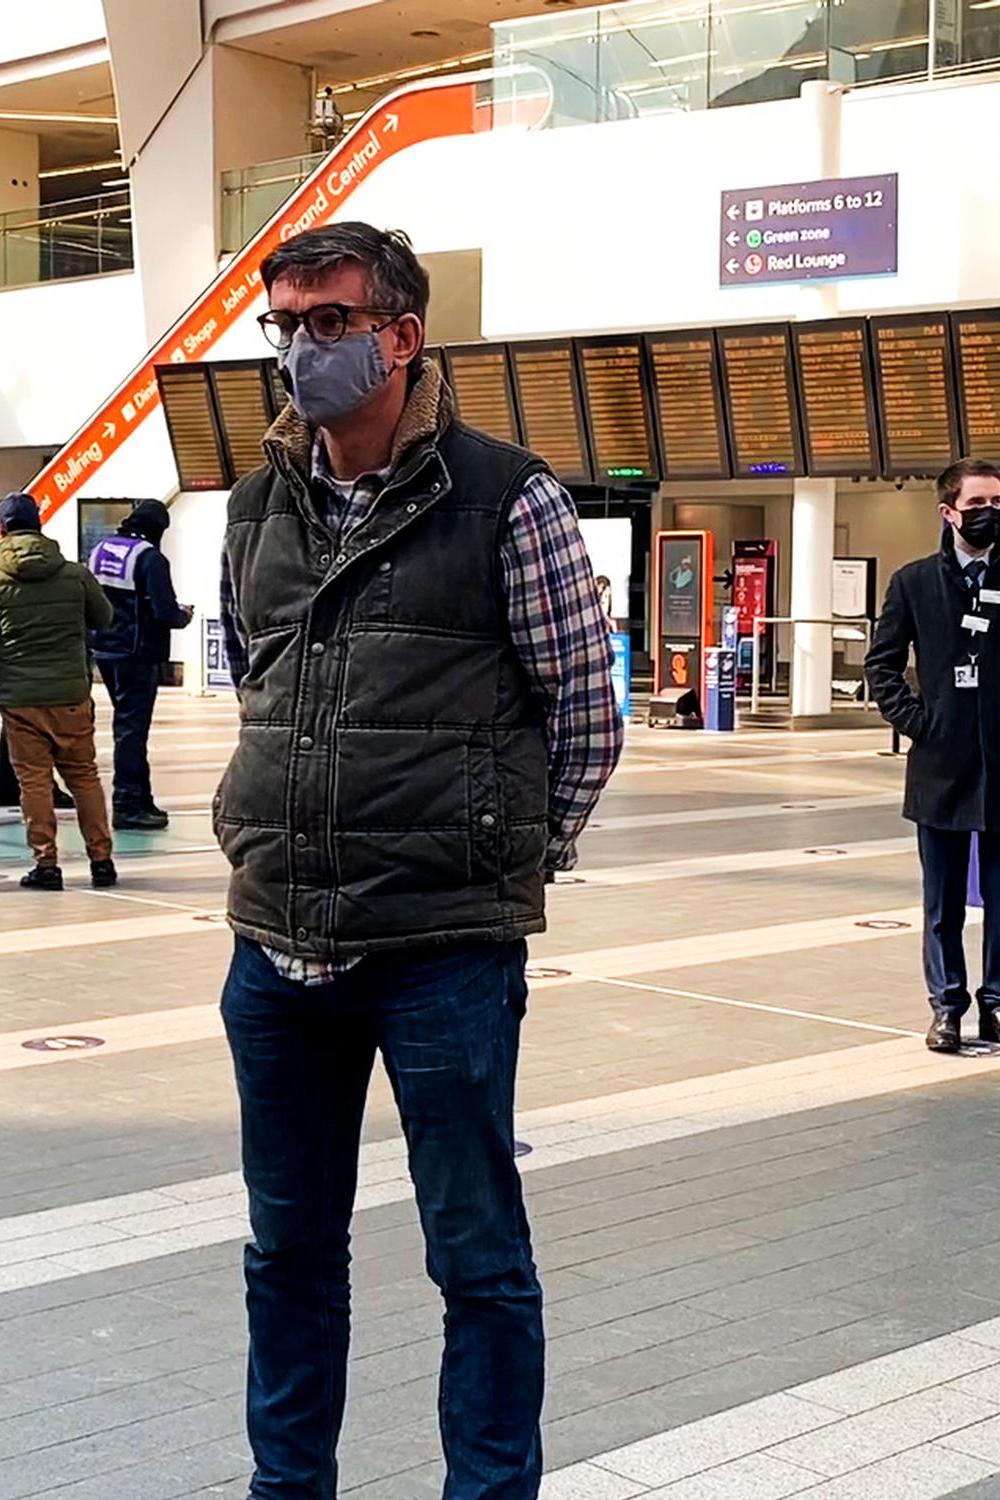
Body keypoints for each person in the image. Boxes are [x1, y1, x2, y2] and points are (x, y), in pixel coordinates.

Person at [214, 222, 623, 1500]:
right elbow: (259, 683)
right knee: (286, 1256)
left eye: (327, 322)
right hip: (275, 951)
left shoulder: (508, 497)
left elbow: (584, 714)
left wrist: (508, 856)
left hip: (440, 955)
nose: (299, 350)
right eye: (283, 325)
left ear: (401, 335)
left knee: (477, 1259)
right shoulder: (253, 505)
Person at [862, 458, 1000, 1056]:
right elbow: (881, 665)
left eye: (998, 502)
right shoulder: (914, 582)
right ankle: (946, 1006)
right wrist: (916, 724)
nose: (990, 514)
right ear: (948, 512)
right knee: (943, 902)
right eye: (978, 503)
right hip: (940, 768)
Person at [0, 494, 116, 891]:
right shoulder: (75, 575)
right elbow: (105, 617)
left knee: (35, 783)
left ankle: (47, 865)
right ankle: (102, 861)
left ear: (1, 530)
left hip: (21, 698)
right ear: (39, 524)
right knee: (84, 778)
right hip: (72, 694)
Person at [88, 497, 195, 829]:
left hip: (104, 651)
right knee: (132, 730)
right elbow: (165, 612)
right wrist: (183, 616)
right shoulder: (150, 558)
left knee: (126, 727)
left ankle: (141, 798)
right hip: (137, 653)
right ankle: (128, 803)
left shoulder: (100, 549)